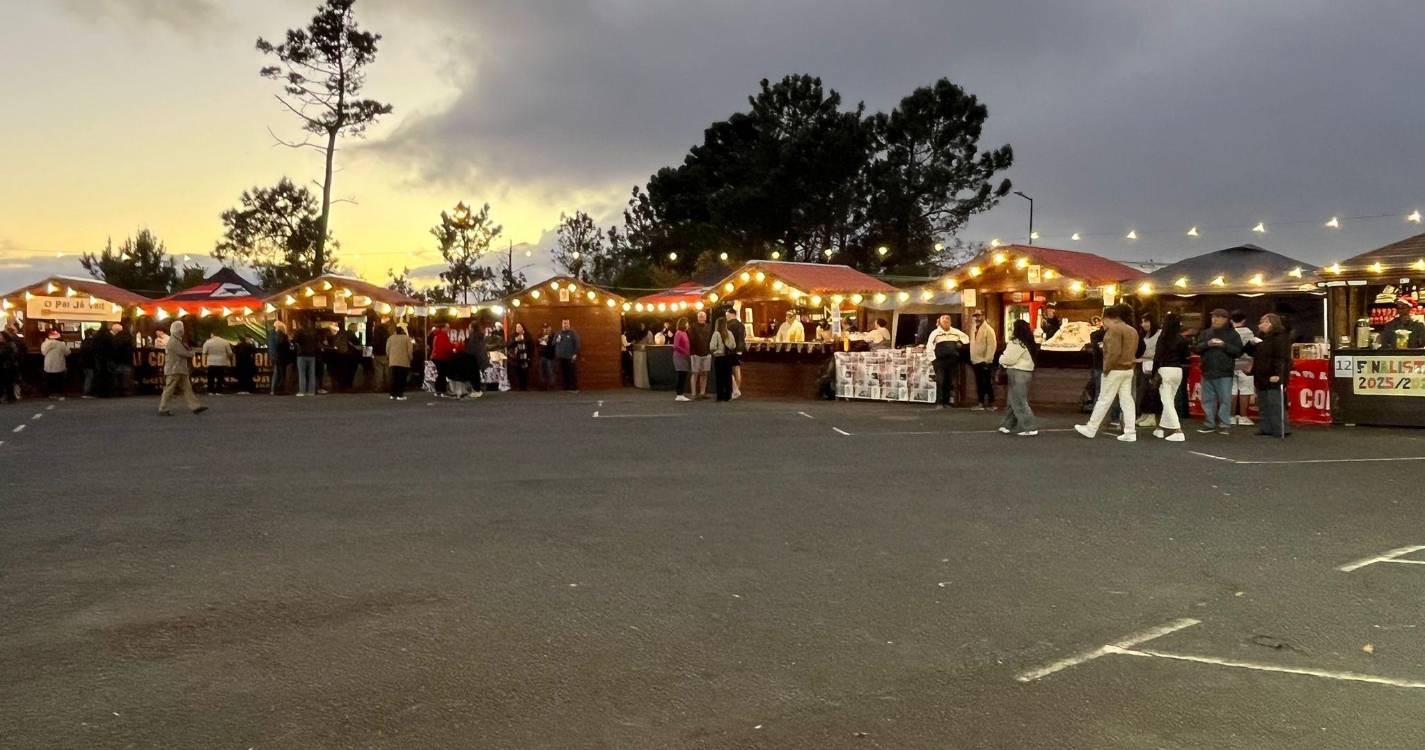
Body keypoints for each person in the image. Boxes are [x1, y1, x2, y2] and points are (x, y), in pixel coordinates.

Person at [1074, 304, 1140, 441]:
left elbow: (1113, 353)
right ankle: (1130, 431)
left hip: (1114, 369)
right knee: (1127, 400)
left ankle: (1091, 428)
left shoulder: (1114, 330)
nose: (1103, 325)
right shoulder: (1132, 330)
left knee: (1104, 399)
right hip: (1128, 369)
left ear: (1109, 318)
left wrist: (1106, 368)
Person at [1195, 308, 1243, 434]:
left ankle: (1224, 424)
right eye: (1213, 316)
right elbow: (1196, 348)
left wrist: (1224, 345)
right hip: (1207, 370)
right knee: (1207, 400)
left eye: (1218, 317)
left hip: (1224, 372)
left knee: (1225, 400)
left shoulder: (1233, 334)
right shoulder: (1205, 333)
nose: (1215, 319)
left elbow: (1238, 351)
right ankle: (1209, 423)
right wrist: (1207, 344)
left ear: (1226, 319)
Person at [1150, 312, 1191, 442]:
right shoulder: (1182, 339)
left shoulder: (1163, 338)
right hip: (1178, 370)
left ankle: (1177, 430)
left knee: (1166, 400)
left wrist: (1153, 373)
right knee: (1169, 399)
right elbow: (1186, 356)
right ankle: (1161, 428)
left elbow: (1157, 357)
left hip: (1165, 369)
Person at [1252, 313, 1293, 437]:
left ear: (1273, 324)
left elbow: (1282, 358)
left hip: (1273, 374)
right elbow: (1251, 353)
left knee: (1275, 403)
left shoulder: (1280, 337)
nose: (1262, 325)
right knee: (1263, 402)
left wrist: (1278, 374)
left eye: (1266, 322)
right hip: (1261, 374)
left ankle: (1281, 428)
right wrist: (1251, 344)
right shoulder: (1259, 338)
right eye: (1261, 322)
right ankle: (1265, 427)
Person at [997, 319, 1038, 436]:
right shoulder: (1029, 342)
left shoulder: (1016, 343)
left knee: (1018, 401)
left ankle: (1029, 427)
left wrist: (1000, 359)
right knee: (1013, 400)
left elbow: (1008, 359)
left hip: (1017, 373)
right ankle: (1007, 425)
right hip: (1026, 373)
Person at [158, 320, 207, 416]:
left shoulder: (175, 340)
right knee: (170, 389)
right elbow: (184, 353)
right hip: (175, 369)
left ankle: (195, 406)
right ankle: (163, 408)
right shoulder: (174, 341)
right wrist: (192, 353)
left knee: (185, 388)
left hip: (177, 369)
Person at [926, 314, 969, 409]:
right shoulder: (935, 333)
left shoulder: (955, 332)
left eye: (947, 321)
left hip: (952, 361)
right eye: (944, 321)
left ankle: (947, 402)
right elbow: (929, 347)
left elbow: (966, 338)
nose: (946, 322)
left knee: (949, 382)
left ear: (950, 322)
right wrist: (933, 360)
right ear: (940, 322)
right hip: (940, 361)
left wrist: (960, 343)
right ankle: (939, 403)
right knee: (940, 381)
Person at [1230, 311, 1260, 427]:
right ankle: (1243, 416)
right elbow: (1253, 348)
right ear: (1244, 320)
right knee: (1245, 390)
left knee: (1231, 390)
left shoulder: (1229, 332)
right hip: (1246, 364)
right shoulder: (1249, 332)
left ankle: (1231, 416)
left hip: (1231, 364)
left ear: (1231, 320)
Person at [1135, 313, 1161, 428]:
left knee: (1151, 392)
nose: (1143, 324)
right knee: (1142, 392)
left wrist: (1145, 358)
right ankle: (1144, 415)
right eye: (1142, 321)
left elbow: (1159, 352)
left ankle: (1151, 417)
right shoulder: (1143, 335)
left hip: (1153, 367)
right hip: (1142, 366)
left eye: (1146, 321)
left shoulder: (1160, 334)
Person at [968, 310, 998, 410]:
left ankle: (991, 403)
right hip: (975, 360)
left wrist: (988, 359)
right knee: (979, 383)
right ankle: (980, 403)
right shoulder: (973, 329)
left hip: (985, 360)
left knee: (987, 382)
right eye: (975, 316)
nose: (977, 318)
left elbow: (992, 346)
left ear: (983, 316)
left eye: (979, 316)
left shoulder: (989, 329)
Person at [710, 316, 736, 401]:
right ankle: (728, 395)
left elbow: (712, 346)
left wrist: (716, 351)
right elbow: (733, 346)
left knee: (719, 377)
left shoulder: (716, 333)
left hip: (719, 358)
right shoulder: (730, 333)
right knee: (727, 377)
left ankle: (720, 396)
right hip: (728, 358)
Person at [293, 320, 321, 397]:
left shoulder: (299, 332)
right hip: (312, 355)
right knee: (312, 374)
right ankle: (311, 391)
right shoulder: (313, 332)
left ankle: (302, 391)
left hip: (302, 355)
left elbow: (294, 340)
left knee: (302, 374)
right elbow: (317, 342)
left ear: (300, 324)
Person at [689, 310, 713, 399]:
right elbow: (691, 340)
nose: (702, 318)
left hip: (707, 353)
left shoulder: (710, 327)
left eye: (703, 316)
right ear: (697, 317)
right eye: (700, 316)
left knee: (705, 373)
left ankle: (702, 392)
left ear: (706, 317)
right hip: (695, 353)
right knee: (695, 373)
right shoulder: (692, 327)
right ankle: (694, 393)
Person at [429, 321, 456, 397]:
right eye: (447, 327)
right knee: (442, 374)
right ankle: (441, 390)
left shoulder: (438, 335)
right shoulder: (442, 335)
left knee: (441, 374)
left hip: (437, 357)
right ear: (443, 328)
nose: (449, 329)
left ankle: (439, 390)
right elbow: (445, 347)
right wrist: (454, 346)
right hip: (441, 357)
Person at [387, 324, 413, 400]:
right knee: (401, 378)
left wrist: (389, 357)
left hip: (393, 361)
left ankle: (392, 394)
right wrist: (411, 358)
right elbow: (410, 350)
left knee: (394, 378)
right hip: (403, 361)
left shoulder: (391, 338)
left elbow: (387, 349)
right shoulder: (407, 338)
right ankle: (400, 394)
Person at [725, 308, 746, 399]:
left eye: (727, 314)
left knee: (728, 370)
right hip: (739, 349)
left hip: (730, 350)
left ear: (730, 314)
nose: (726, 316)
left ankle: (735, 390)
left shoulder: (728, 325)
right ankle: (737, 388)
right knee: (737, 368)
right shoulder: (741, 325)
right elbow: (743, 337)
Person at [554, 318, 581, 391]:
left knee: (571, 373)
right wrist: (557, 340)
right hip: (561, 357)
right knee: (563, 373)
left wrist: (575, 353)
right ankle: (566, 388)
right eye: (564, 323)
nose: (565, 325)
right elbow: (553, 343)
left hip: (570, 357)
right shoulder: (558, 333)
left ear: (569, 324)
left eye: (566, 323)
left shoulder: (572, 333)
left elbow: (577, 344)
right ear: (562, 324)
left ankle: (574, 388)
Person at [109, 322, 135, 396]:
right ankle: (126, 390)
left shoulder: (115, 339)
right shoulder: (128, 337)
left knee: (117, 376)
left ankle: (118, 390)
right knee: (126, 376)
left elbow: (113, 349)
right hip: (127, 360)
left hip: (117, 360)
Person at [507, 322, 534, 391]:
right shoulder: (513, 336)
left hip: (525, 359)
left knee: (525, 374)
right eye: (516, 327)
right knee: (518, 374)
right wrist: (515, 340)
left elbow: (531, 347)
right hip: (516, 359)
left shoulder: (527, 335)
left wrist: (530, 357)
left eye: (519, 327)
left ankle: (525, 388)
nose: (518, 328)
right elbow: (508, 345)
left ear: (522, 328)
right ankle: (520, 388)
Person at [41, 330, 67, 400]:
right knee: (59, 380)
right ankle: (59, 394)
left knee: (50, 380)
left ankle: (50, 394)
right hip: (59, 364)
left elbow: (43, 353)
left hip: (48, 365)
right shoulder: (61, 344)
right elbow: (68, 352)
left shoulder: (44, 344)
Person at [267, 320, 291, 395]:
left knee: (276, 373)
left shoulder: (271, 335)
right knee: (279, 373)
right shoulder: (279, 335)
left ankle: (274, 390)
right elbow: (282, 345)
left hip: (274, 356)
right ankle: (277, 390)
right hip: (279, 357)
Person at [0, 323, 22, 403]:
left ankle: (9, 397)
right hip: (6, 365)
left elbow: (8, 355)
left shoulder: (9, 345)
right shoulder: (8, 344)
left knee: (7, 382)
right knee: (6, 382)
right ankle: (8, 397)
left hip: (7, 366)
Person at [672, 317, 692, 402]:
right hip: (679, 357)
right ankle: (679, 394)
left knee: (683, 375)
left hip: (684, 356)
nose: (688, 324)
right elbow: (676, 346)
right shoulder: (678, 333)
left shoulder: (685, 333)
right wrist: (685, 352)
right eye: (687, 323)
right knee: (681, 375)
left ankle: (681, 393)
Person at [370, 320, 391, 394]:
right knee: (387, 372)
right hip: (386, 354)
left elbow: (374, 343)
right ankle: (388, 386)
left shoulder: (376, 334)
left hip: (377, 354)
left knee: (378, 372)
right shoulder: (388, 335)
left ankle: (378, 387)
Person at [537, 323, 557, 390]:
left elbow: (555, 345)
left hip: (550, 357)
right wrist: (540, 340)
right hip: (542, 357)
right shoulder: (540, 335)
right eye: (544, 328)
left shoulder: (553, 336)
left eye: (547, 328)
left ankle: (551, 386)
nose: (546, 329)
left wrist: (549, 340)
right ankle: (543, 386)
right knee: (542, 372)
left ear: (550, 328)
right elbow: (536, 344)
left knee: (550, 372)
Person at [79, 328, 98, 398]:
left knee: (87, 377)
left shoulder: (84, 341)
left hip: (84, 362)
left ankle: (86, 391)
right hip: (90, 362)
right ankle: (87, 392)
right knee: (89, 377)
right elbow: (92, 352)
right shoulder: (91, 342)